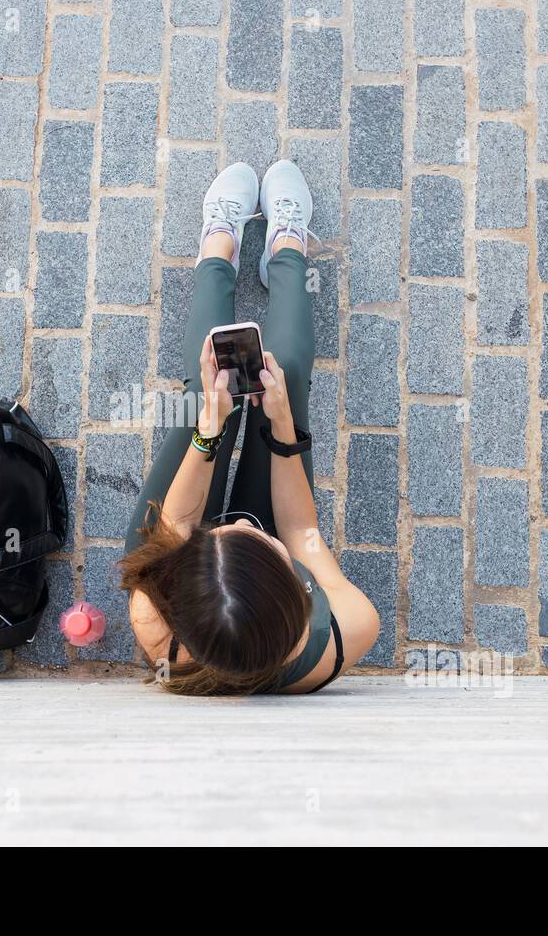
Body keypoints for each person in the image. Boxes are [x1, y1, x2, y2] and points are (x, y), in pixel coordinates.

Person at [119, 160, 380, 696]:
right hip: (228, 563)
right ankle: (288, 247)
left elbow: (177, 528)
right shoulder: (347, 627)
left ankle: (218, 249)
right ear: (293, 593)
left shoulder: (156, 613)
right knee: (284, 375)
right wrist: (283, 430)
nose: (245, 523)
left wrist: (209, 432)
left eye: (227, 533)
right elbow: (301, 533)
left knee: (208, 391)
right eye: (259, 540)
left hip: (169, 540)